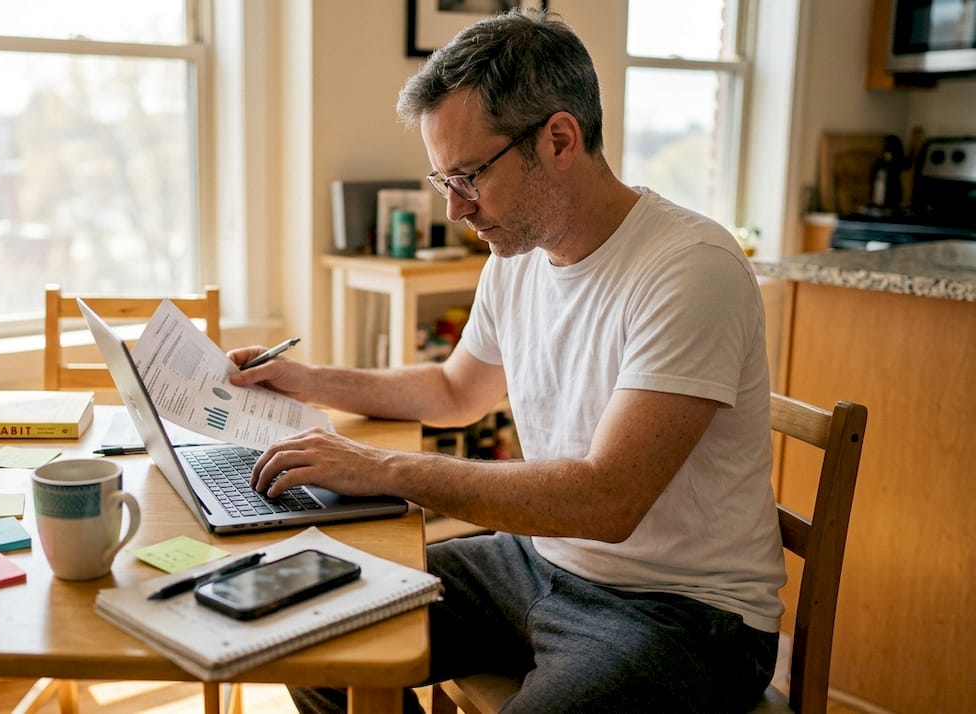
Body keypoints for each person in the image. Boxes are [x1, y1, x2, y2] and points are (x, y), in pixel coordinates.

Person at [229, 9, 783, 713]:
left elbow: (608, 499)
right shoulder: (517, 259)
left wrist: (390, 471)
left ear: (558, 138)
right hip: (539, 560)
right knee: (314, 637)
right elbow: (455, 389)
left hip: (684, 612)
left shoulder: (690, 268)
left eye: (468, 176)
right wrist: (308, 380)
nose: (457, 209)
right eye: (443, 182)